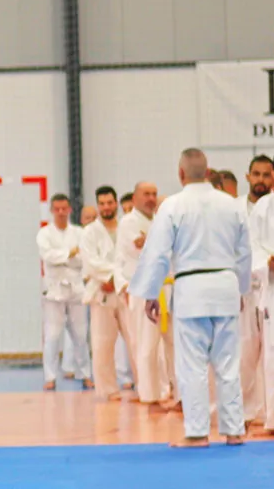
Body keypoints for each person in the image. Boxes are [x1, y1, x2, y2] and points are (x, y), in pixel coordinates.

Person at [130, 148, 250, 448]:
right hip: (225, 286)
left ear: (181, 173)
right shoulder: (232, 205)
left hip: (192, 289)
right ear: (208, 172)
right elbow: (244, 252)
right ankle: (234, 430)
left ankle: (197, 433)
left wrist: (150, 293)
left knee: (192, 364)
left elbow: (157, 253)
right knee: (228, 363)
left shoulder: (172, 206)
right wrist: (242, 289)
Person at [118, 182, 176, 409]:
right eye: (146, 194)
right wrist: (157, 241)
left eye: (154, 194)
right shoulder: (128, 222)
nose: (151, 199)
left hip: (167, 287)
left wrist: (152, 240)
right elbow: (142, 250)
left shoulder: (156, 220)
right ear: (135, 198)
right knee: (146, 345)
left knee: (172, 344)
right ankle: (149, 395)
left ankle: (173, 392)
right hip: (143, 289)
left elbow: (155, 246)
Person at [80, 186, 136, 401]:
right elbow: (90, 262)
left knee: (135, 341)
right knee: (103, 343)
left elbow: (131, 257)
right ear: (98, 206)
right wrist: (110, 277)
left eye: (110, 203)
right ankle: (109, 389)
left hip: (126, 290)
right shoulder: (89, 232)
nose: (106, 207)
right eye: (102, 204)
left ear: (116, 204)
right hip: (102, 292)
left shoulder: (126, 227)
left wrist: (118, 279)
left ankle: (146, 387)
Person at [37, 194, 91, 390]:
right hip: (53, 290)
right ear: (51, 211)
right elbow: (48, 257)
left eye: (64, 209)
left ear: (69, 210)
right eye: (57, 209)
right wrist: (70, 253)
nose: (60, 212)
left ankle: (85, 373)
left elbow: (83, 259)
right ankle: (50, 377)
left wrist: (65, 257)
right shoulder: (44, 233)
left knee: (80, 335)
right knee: (52, 335)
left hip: (76, 288)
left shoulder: (79, 233)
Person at [239, 156, 273, 429]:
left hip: (268, 286)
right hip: (246, 287)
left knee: (271, 354)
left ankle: (269, 414)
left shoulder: (266, 206)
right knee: (245, 352)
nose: (261, 180)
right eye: (256, 174)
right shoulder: (237, 208)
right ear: (248, 176)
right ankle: (245, 413)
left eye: (266, 175)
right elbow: (247, 247)